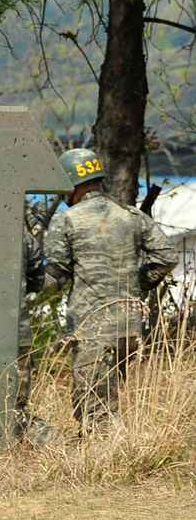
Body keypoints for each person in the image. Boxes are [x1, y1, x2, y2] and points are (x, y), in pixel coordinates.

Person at [43, 148, 176, 434]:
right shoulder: (129, 215)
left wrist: (27, 281)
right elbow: (166, 257)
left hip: (93, 327)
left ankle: (107, 463)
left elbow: (55, 278)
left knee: (92, 405)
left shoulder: (67, 219)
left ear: (69, 184)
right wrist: (137, 284)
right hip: (130, 325)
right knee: (110, 397)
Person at [11, 207, 57, 444]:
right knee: (13, 407)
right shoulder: (23, 237)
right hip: (17, 334)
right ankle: (50, 440)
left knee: (8, 411)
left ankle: (50, 440)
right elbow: (41, 280)